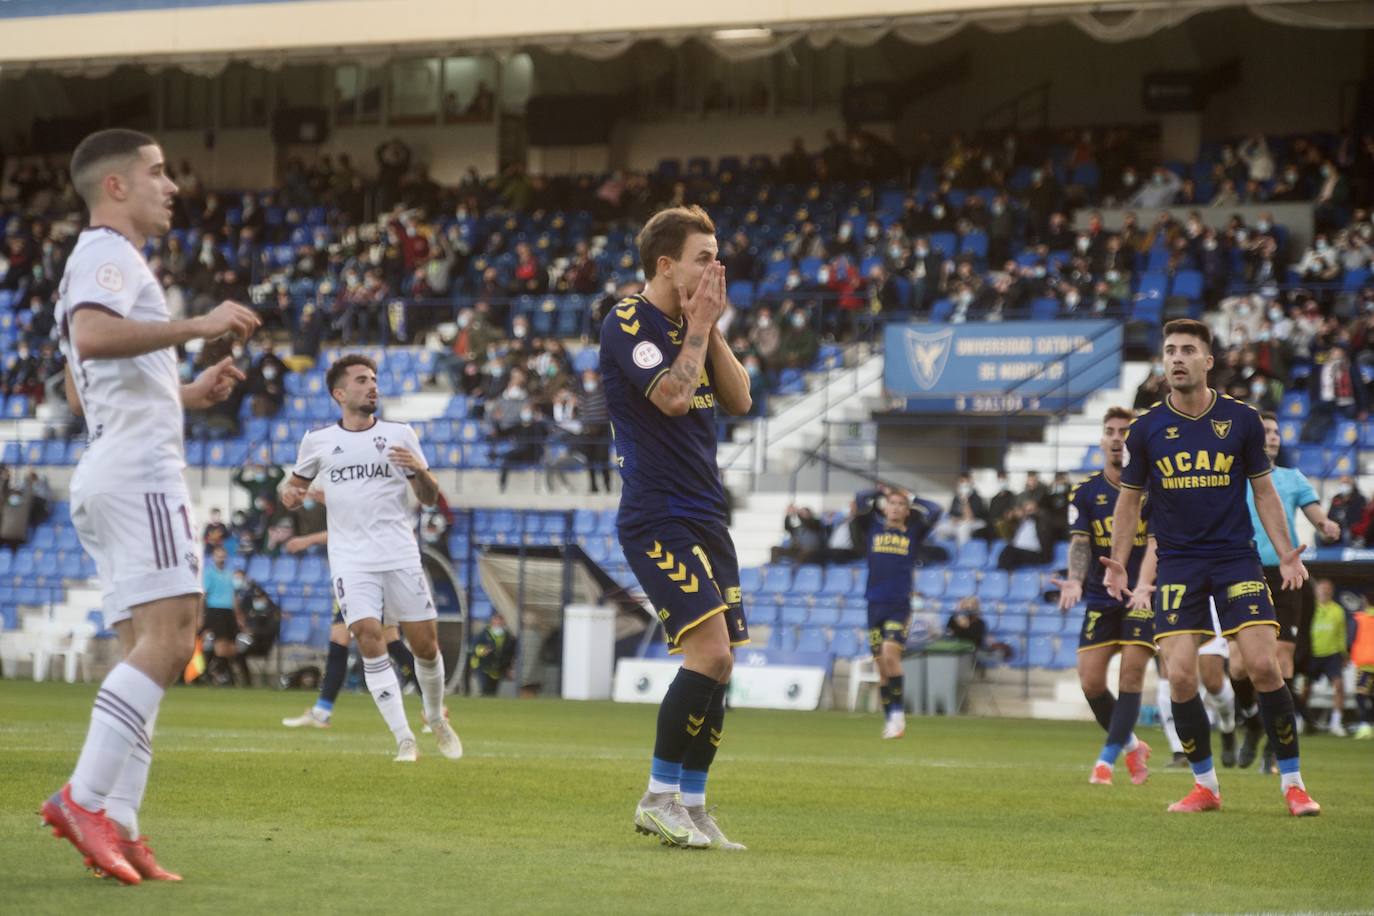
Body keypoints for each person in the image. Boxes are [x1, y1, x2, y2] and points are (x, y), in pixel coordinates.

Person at [42, 128, 260, 884]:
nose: (171, 186)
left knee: (154, 649)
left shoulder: (91, 264)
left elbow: (80, 385)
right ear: (116, 187)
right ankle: (85, 798)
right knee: (172, 643)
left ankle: (123, 827)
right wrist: (198, 325)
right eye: (158, 172)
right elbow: (95, 337)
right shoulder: (108, 253)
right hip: (140, 475)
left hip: (111, 466)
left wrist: (187, 391)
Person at [1105, 318, 1319, 816]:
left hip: (1234, 558)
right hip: (1178, 564)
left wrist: (1285, 549)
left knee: (1264, 665)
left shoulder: (1241, 420)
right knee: (1179, 676)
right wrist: (1118, 563)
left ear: (1208, 361)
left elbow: (1264, 492)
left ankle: (1293, 784)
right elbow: (1129, 503)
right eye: (1170, 350)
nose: (1176, 358)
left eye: (1187, 350)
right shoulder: (1146, 429)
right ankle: (1206, 786)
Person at [600, 205, 752, 850]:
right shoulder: (627, 319)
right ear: (666, 265)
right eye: (702, 258)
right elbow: (671, 396)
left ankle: (692, 804)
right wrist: (696, 328)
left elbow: (740, 399)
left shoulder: (698, 323)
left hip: (707, 514)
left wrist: (707, 326)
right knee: (709, 653)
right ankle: (656, 797)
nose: (714, 269)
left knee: (722, 669)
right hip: (657, 513)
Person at [279, 354, 461, 762]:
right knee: (365, 635)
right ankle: (403, 739)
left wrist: (419, 470)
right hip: (350, 559)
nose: (373, 385)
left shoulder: (400, 435)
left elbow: (429, 497)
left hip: (399, 553)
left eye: (375, 379)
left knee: (426, 648)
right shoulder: (319, 441)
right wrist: (287, 495)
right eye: (362, 380)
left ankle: (434, 715)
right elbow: (291, 488)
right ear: (339, 393)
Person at [1233, 411, 1341, 770]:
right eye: (1266, 431)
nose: (1273, 437)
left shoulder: (1293, 478)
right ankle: (1252, 725)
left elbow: (1314, 513)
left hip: (1286, 575)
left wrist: (1325, 524)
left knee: (1281, 659)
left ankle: (1274, 744)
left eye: (1277, 431)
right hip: (1242, 572)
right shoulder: (1235, 477)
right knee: (1239, 667)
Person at [1052, 407, 1153, 785]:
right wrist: (1076, 581)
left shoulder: (1153, 487)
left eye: (1124, 431)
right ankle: (1131, 746)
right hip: (1100, 594)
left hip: (1143, 592)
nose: (1116, 437)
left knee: (1131, 674)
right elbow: (1080, 543)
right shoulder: (1086, 493)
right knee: (1091, 682)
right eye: (1110, 431)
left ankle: (1106, 762)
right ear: (1101, 440)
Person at [281, 529, 420, 729]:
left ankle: (433, 706)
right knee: (341, 640)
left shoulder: (370, 509)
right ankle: (322, 711)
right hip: (354, 580)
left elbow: (347, 530)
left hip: (371, 579)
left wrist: (307, 540)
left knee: (390, 642)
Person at [855, 484, 922, 740]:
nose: (895, 507)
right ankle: (890, 720)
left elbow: (935, 510)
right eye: (891, 503)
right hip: (874, 604)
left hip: (899, 605)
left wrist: (912, 495)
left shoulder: (913, 533)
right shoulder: (873, 528)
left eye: (901, 505)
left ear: (907, 511)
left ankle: (898, 715)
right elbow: (860, 497)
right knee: (882, 665)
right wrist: (878, 490)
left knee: (890, 655)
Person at [1301, 579, 1349, 736]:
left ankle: (1336, 723)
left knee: (1339, 686)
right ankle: (1301, 720)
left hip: (1332, 655)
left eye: (1328, 589)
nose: (1325, 591)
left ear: (1332, 592)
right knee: (1305, 689)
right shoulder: (1309, 608)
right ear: (1316, 591)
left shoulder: (1338, 610)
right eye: (1322, 589)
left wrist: (1344, 654)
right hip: (1312, 653)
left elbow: (1342, 634)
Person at [201, 546, 247, 686]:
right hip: (215, 610)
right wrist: (201, 615)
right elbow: (204, 594)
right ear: (214, 557)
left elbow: (233, 596)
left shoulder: (229, 574)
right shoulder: (209, 573)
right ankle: (218, 674)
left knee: (231, 646)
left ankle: (220, 672)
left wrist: (238, 615)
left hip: (228, 611)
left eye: (223, 555)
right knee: (220, 644)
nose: (221, 558)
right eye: (218, 555)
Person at [469, 611, 517, 696]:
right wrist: (482, 650)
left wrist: (509, 667)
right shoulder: (484, 634)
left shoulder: (508, 637)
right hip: (484, 666)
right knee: (485, 688)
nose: (498, 623)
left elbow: (510, 654)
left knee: (493, 692)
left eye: (500, 620)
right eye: (496, 620)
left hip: (499, 669)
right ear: (492, 621)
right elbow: (474, 646)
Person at [1350, 594, 1374, 740]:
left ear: (1365, 601)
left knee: (1361, 695)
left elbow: (1350, 638)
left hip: (1366, 664)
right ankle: (1369, 724)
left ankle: (1364, 725)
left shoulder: (1359, 618)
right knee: (1371, 696)